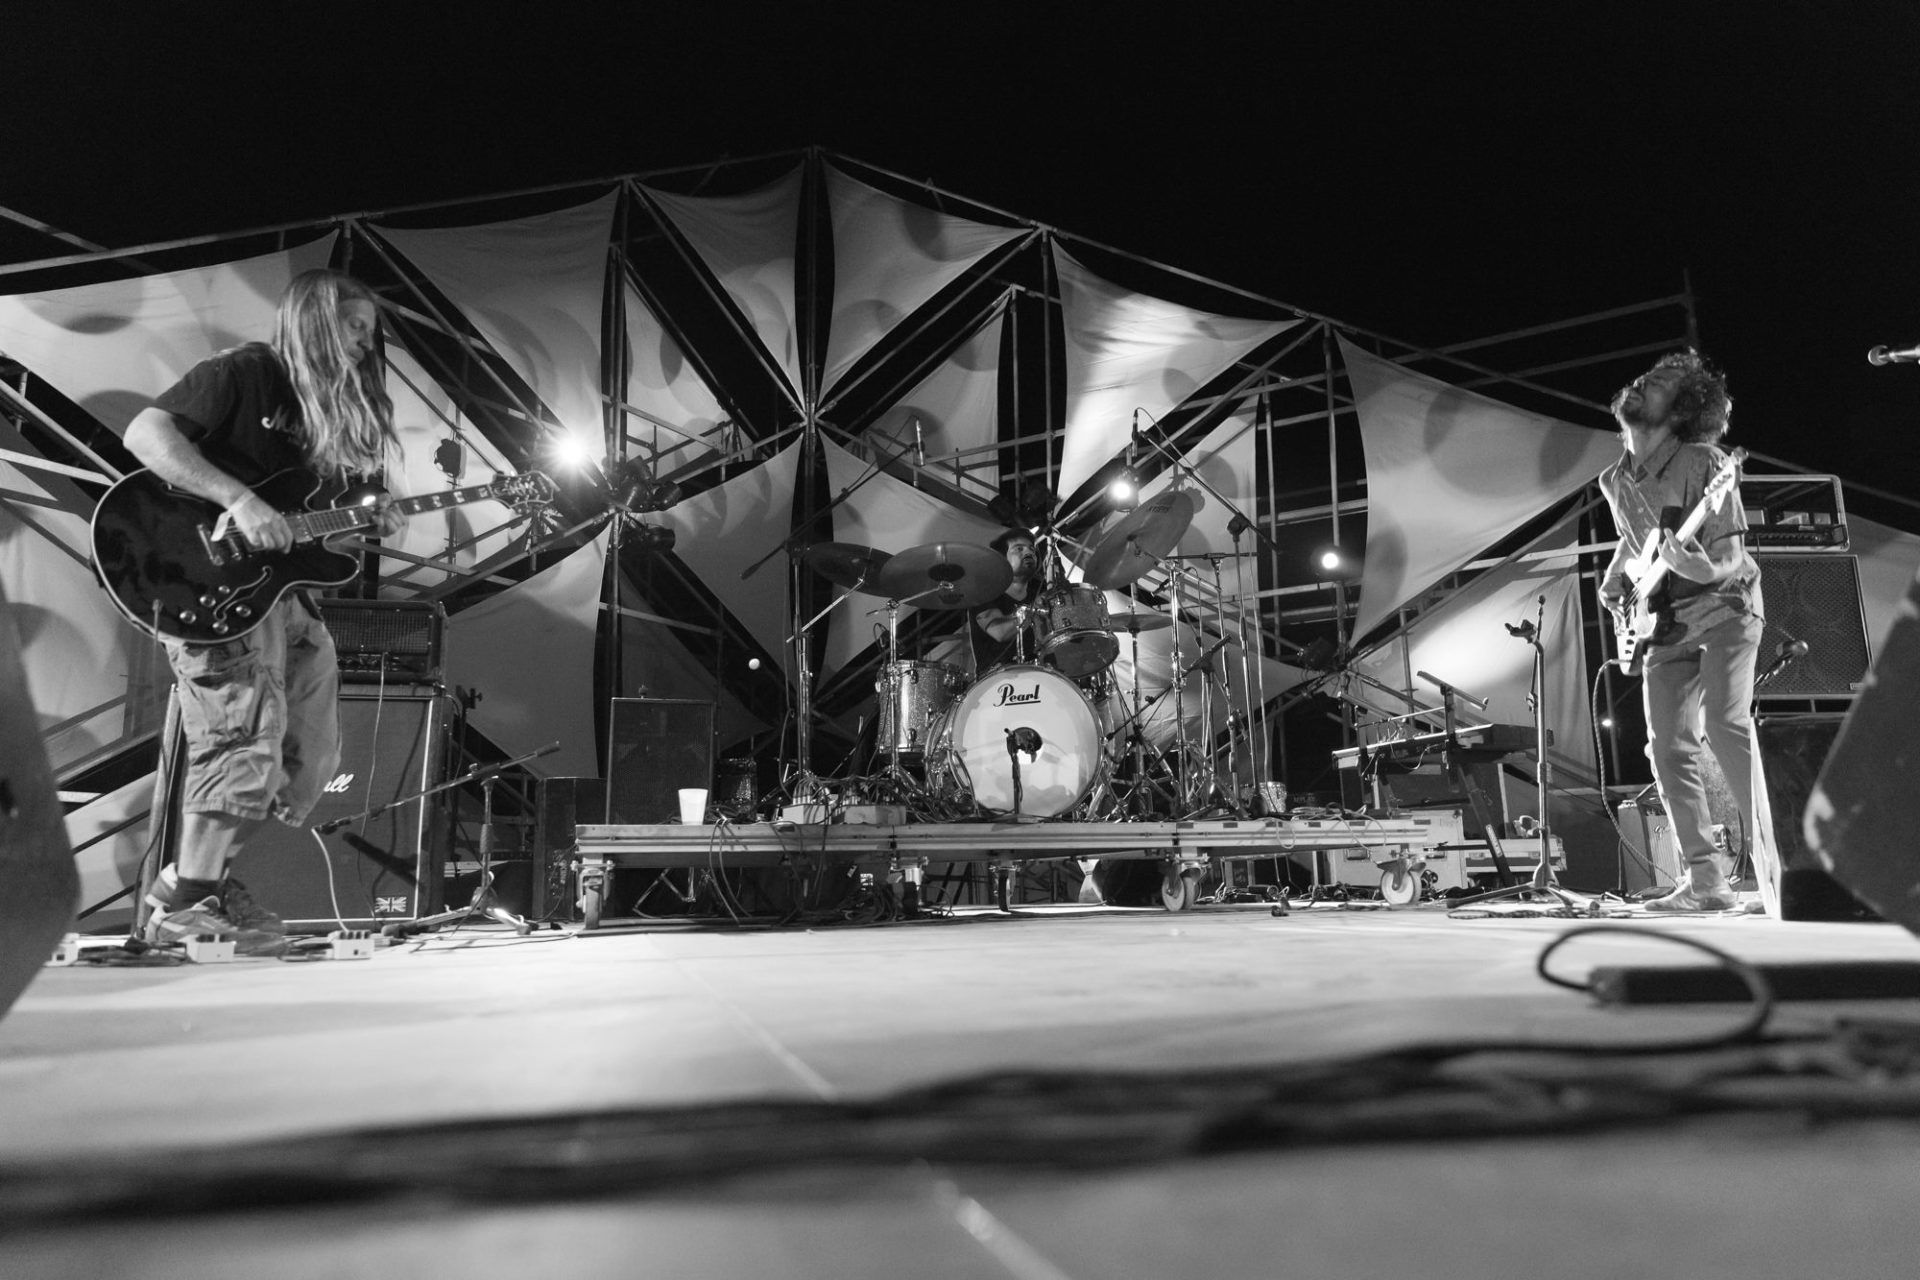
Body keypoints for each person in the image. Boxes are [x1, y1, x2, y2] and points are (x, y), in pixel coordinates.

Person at [122, 269, 407, 952]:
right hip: (207, 587)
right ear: (315, 319)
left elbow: (306, 533)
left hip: (278, 596)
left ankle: (190, 887)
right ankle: (187, 907)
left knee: (306, 755)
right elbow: (145, 434)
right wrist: (238, 500)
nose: (365, 343)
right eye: (354, 326)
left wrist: (368, 520)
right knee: (242, 736)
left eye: (370, 332)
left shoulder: (329, 419)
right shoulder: (247, 373)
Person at [1598, 349, 1764, 912]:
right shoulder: (1614, 479)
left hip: (1725, 610)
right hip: (1665, 622)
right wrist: (1618, 580)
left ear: (1682, 410)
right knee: (1666, 748)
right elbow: (1639, 539)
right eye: (1643, 376)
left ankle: (1786, 863)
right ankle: (1706, 882)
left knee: (1724, 724)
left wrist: (1702, 568)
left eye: (1660, 383)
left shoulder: (1704, 461)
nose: (1642, 381)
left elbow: (1728, 556)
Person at [964, 527, 1043, 674]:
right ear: (1002, 560)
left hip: (1037, 676)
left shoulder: (1038, 594)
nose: (1028, 552)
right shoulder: (985, 594)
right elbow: (1000, 632)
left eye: (1032, 549)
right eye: (1019, 549)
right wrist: (1035, 610)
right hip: (997, 681)